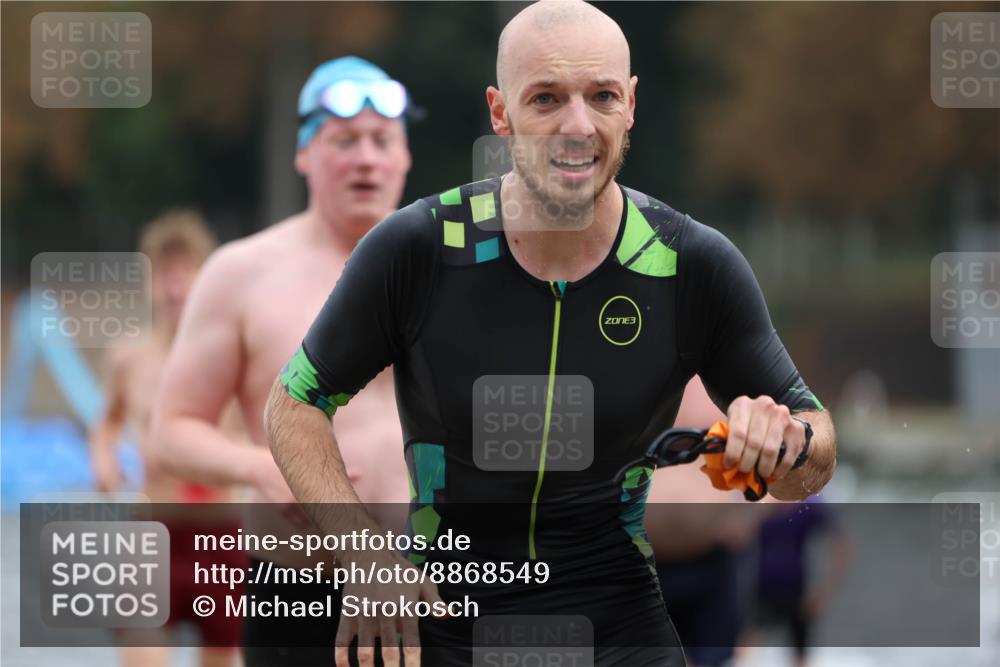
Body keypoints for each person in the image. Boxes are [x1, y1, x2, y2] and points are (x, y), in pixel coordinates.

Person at [264, 2, 837, 666]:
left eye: (601, 97)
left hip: (618, 624)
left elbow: (814, 452)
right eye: (546, 98)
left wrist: (786, 443)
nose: (577, 126)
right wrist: (362, 552)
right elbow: (296, 401)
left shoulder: (691, 264)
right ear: (500, 112)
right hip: (447, 620)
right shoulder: (420, 249)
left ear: (631, 105)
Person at [151, 57, 416, 665]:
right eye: (343, 140)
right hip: (295, 583)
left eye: (383, 140)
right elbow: (169, 431)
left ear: (404, 156)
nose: (366, 158)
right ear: (304, 154)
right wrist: (262, 464)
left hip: (427, 570)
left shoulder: (447, 267)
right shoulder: (242, 274)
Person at [90, 210, 246, 667]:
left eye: (184, 272)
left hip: (219, 537)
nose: (175, 286)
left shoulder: (237, 352)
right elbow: (108, 420)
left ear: (205, 277)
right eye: (163, 274)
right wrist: (103, 459)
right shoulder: (129, 358)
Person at [646, 377, 774, 667]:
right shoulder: (638, 371)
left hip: (713, 561)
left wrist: (752, 513)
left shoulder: (735, 374)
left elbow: (789, 458)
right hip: (642, 564)